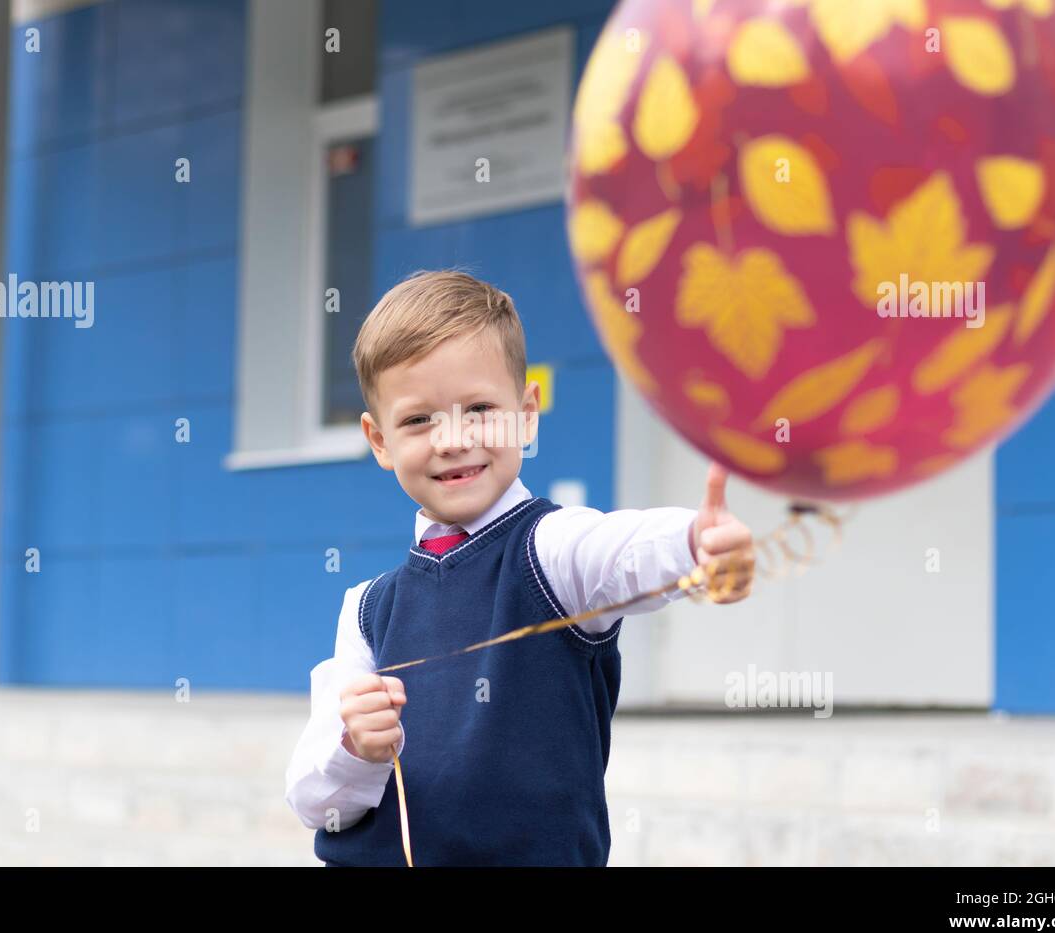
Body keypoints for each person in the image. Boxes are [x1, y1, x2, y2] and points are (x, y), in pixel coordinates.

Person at [284, 269, 755, 865]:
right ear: (379, 441)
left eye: (478, 408)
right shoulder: (367, 608)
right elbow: (314, 801)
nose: (452, 439)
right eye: (418, 419)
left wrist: (696, 544)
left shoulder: (552, 553)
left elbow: (622, 549)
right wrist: (354, 749)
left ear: (526, 414)